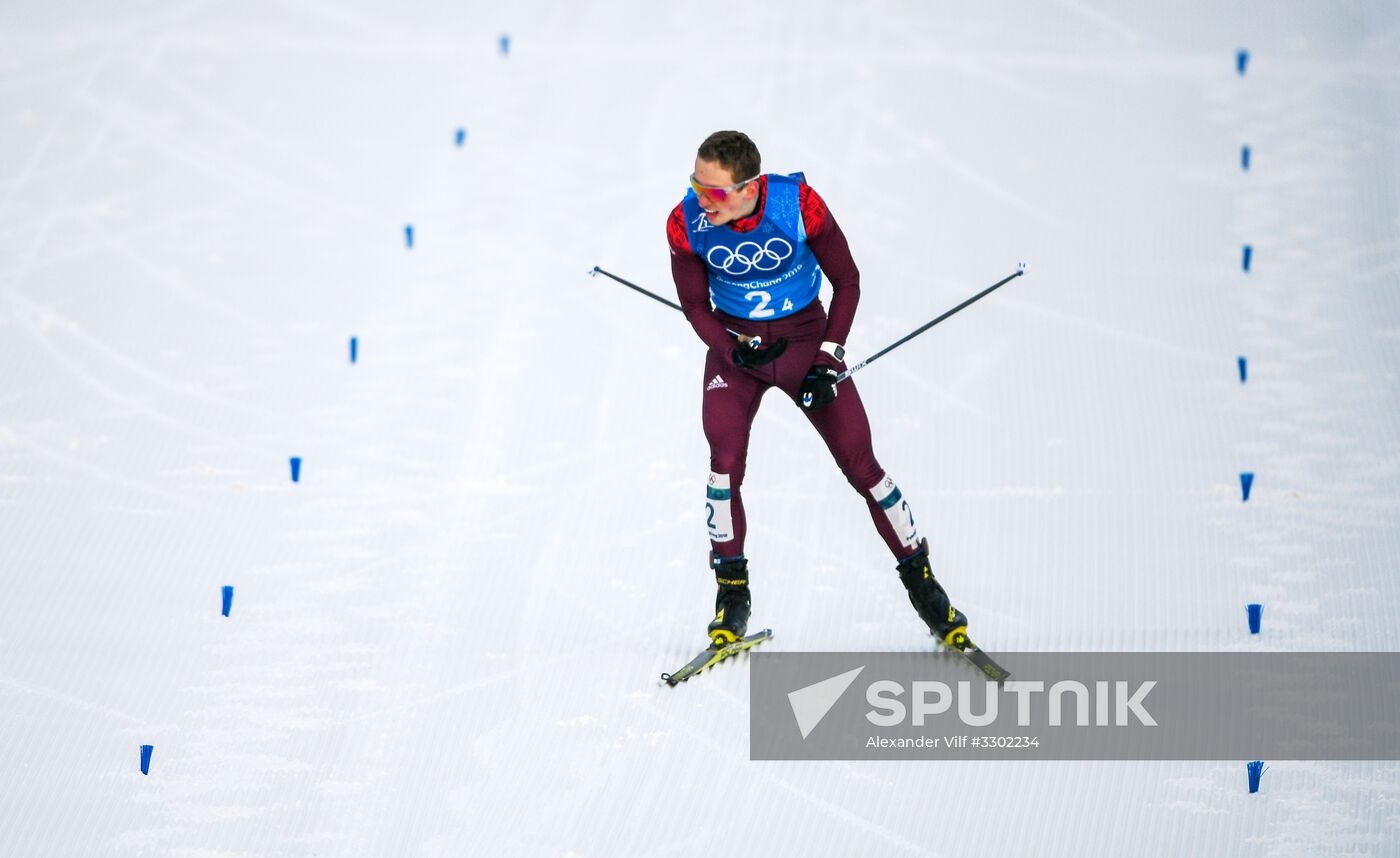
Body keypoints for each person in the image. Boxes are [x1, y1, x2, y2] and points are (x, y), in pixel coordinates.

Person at [666, 130, 970, 650]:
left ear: (749, 187)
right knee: (724, 462)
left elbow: (846, 280)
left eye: (713, 192)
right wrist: (730, 346)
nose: (700, 199)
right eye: (696, 184)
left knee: (861, 465)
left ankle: (924, 586)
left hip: (806, 341)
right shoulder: (686, 222)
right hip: (738, 352)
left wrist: (829, 355)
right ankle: (732, 596)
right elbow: (695, 305)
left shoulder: (798, 205)